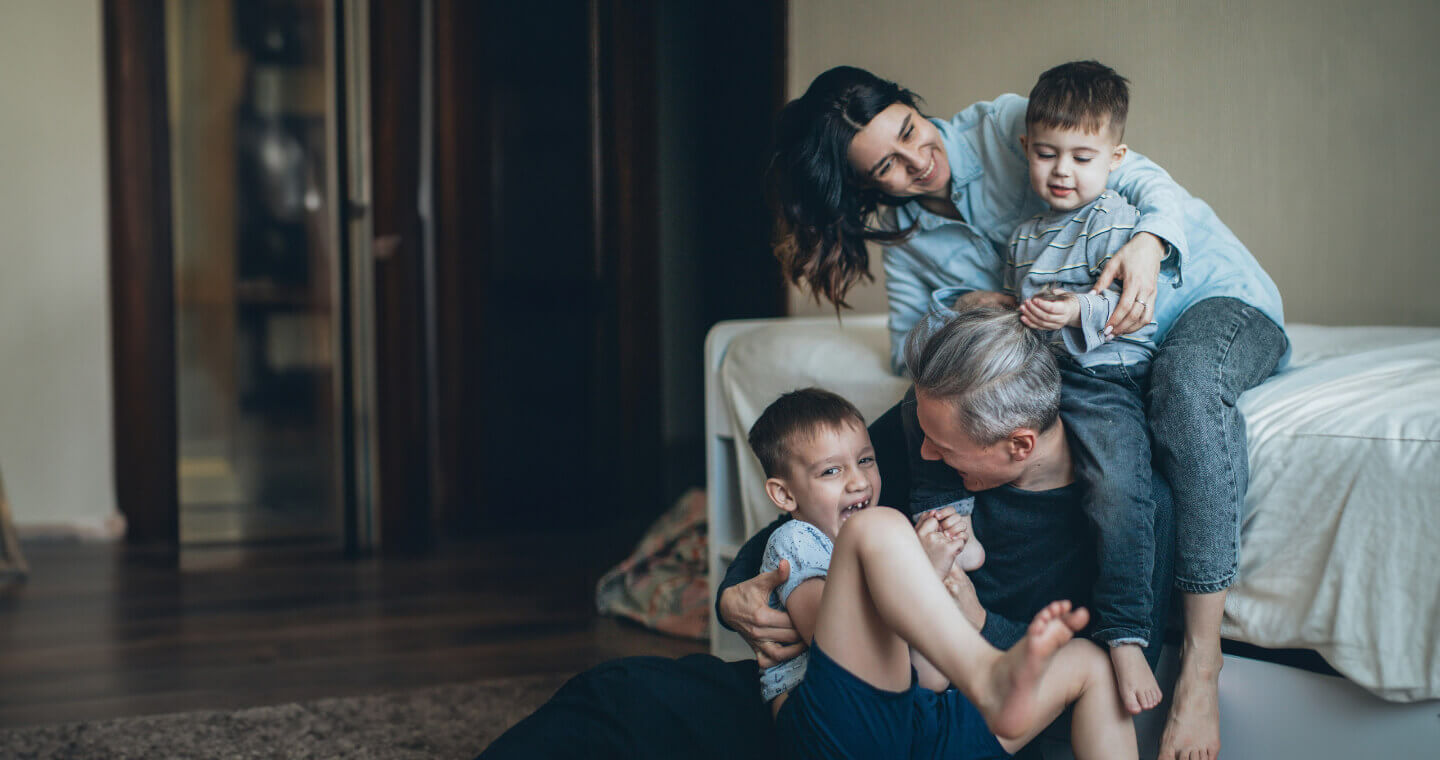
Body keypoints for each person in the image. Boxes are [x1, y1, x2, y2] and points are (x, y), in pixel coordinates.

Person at [736, 63, 1290, 759]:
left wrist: (1149, 244)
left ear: (914, 104)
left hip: (1196, 300)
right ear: (867, 185)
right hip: (1083, 342)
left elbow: (1138, 174)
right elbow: (911, 347)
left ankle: (1201, 663)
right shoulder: (908, 236)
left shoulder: (1005, 127)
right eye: (889, 167)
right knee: (930, 408)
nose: (918, 162)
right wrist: (741, 591)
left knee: (1177, 400)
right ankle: (952, 584)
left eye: (910, 131)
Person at [745, 386, 1137, 759]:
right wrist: (925, 574)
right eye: (831, 471)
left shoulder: (891, 547)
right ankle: (986, 674)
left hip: (913, 726)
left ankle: (986, 677)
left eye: (866, 460)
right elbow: (833, 647)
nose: (859, 480)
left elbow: (928, 678)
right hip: (830, 728)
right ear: (784, 495)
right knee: (878, 525)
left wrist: (930, 577)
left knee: (1088, 662)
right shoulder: (795, 540)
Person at [1002, 60, 1161, 714]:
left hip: (1103, 376)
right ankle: (946, 535)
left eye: (1081, 156)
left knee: (1116, 483)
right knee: (958, 417)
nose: (1062, 170)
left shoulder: (1114, 217)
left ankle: (1124, 630)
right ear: (1026, 150)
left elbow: (1136, 314)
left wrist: (1074, 314)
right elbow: (1021, 308)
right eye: (1047, 154)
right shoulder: (1023, 235)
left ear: (1114, 157)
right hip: (1043, 374)